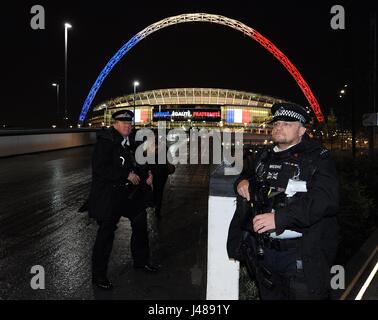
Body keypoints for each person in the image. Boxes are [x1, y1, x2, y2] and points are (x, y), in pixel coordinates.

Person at [227, 102, 339, 300]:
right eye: (277, 123)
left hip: (301, 255)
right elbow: (248, 176)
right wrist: (242, 181)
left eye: (287, 123)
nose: (279, 127)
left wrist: (279, 218)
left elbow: (325, 200)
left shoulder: (319, 158)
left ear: (302, 130)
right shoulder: (264, 156)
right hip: (265, 253)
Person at [88, 110, 159, 291]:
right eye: (123, 123)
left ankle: (141, 261)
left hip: (129, 195)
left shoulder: (133, 141)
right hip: (111, 196)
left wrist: (148, 173)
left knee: (140, 223)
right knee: (106, 235)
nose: (127, 126)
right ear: (114, 124)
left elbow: (140, 162)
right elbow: (100, 169)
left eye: (129, 123)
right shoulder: (106, 142)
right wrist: (125, 174)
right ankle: (98, 275)